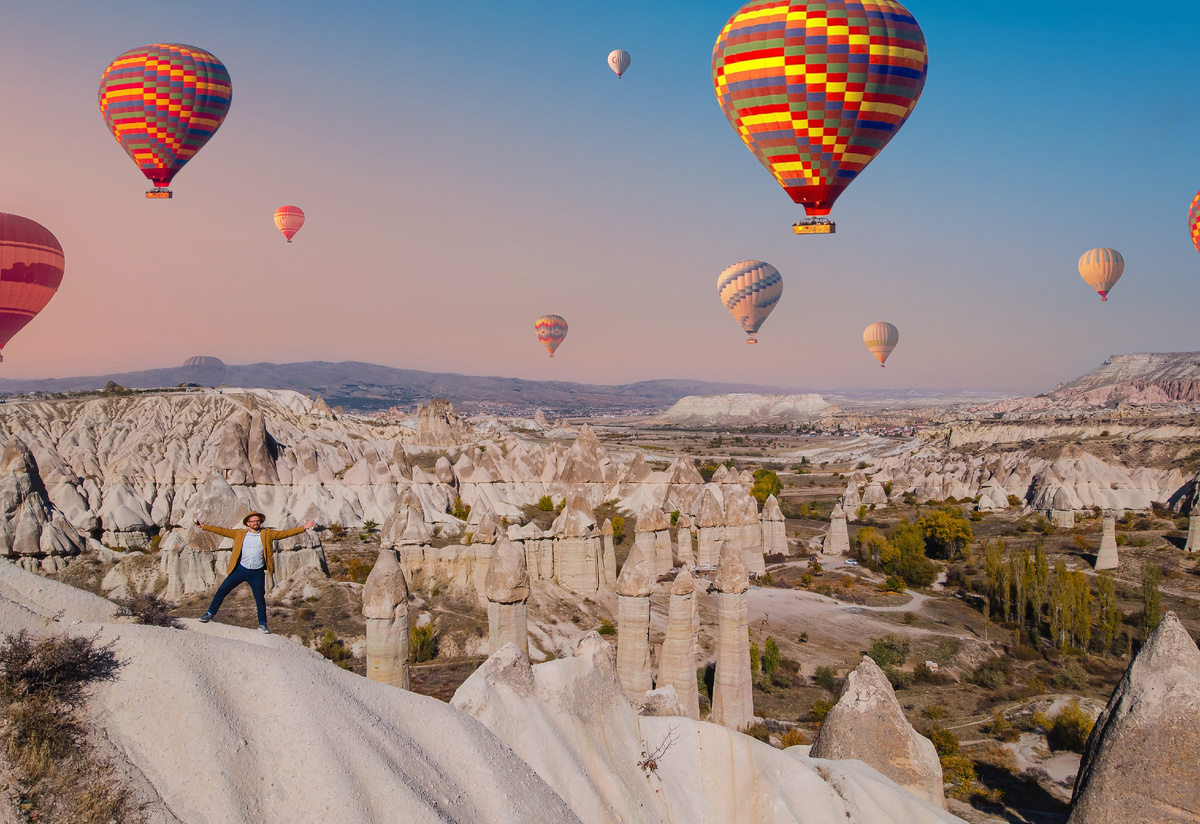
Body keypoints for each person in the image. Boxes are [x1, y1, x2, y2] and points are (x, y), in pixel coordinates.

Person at [195, 512, 317, 633]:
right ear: (248, 523)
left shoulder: (267, 534)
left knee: (260, 599)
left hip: (257, 573)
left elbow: (284, 534)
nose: (256, 523)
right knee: (222, 590)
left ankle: (262, 624)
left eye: (258, 521)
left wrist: (303, 528)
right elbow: (222, 531)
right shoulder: (239, 533)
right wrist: (204, 526)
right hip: (240, 570)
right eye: (253, 521)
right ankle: (209, 614)